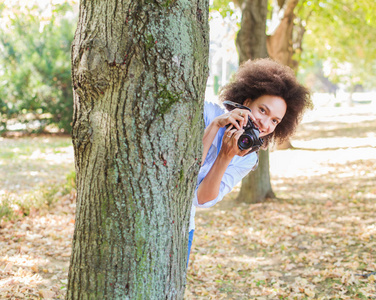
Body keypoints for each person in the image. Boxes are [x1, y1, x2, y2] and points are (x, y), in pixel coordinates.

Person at [187, 58, 312, 263]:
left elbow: (200, 199)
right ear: (246, 103)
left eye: (275, 121)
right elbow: (185, 169)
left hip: (183, 229)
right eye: (263, 110)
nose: (265, 124)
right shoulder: (207, 114)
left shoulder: (247, 158)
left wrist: (225, 157)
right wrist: (214, 127)